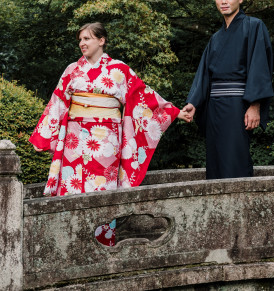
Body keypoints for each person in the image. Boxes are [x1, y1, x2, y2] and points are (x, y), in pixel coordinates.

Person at [29, 22, 190, 245]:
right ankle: (72, 242)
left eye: (87, 38)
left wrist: (175, 112)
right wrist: (44, 137)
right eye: (80, 39)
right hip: (75, 138)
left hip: (105, 138)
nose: (82, 43)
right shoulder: (72, 69)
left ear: (101, 40)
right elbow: (57, 102)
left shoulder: (119, 70)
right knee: (72, 184)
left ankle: (102, 241)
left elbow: (142, 97)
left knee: (102, 186)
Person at [182, 0, 273, 179]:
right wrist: (193, 103)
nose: (224, 1)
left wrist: (255, 105)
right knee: (215, 161)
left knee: (235, 159)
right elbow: (204, 74)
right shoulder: (216, 38)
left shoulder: (254, 26)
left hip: (238, 105)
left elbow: (260, 66)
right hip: (214, 107)